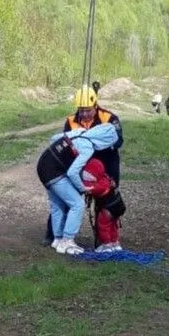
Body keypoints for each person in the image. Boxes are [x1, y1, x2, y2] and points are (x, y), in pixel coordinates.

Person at [44, 85, 124, 245]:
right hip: (79, 165)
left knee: (105, 203)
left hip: (106, 164)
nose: (85, 114)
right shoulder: (70, 121)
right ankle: (54, 235)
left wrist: (95, 148)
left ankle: (103, 241)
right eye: (81, 110)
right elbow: (66, 144)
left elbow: (119, 141)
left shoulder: (109, 118)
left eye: (88, 110)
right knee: (66, 197)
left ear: (95, 105)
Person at [36, 109, 119, 256]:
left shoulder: (79, 132)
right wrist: (83, 187)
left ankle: (57, 239)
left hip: (42, 166)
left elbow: (54, 138)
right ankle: (67, 241)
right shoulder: (87, 147)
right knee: (77, 204)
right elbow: (72, 172)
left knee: (57, 205)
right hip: (55, 172)